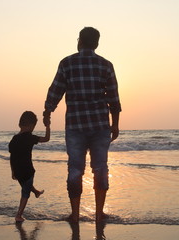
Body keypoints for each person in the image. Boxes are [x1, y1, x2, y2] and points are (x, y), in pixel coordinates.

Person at [43, 27, 121, 222]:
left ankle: (76, 214)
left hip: (75, 126)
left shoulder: (67, 63)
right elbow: (114, 98)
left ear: (79, 41)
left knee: (75, 169)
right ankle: (99, 213)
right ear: (97, 43)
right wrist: (115, 125)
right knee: (100, 168)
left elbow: (56, 90)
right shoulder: (106, 65)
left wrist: (47, 111)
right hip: (100, 125)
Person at [9, 111, 50, 222]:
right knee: (25, 193)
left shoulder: (14, 139)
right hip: (27, 170)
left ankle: (36, 192)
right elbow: (46, 139)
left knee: (26, 185)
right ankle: (19, 215)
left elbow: (12, 157)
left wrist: (12, 171)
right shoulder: (30, 137)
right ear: (31, 125)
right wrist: (48, 126)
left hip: (17, 170)